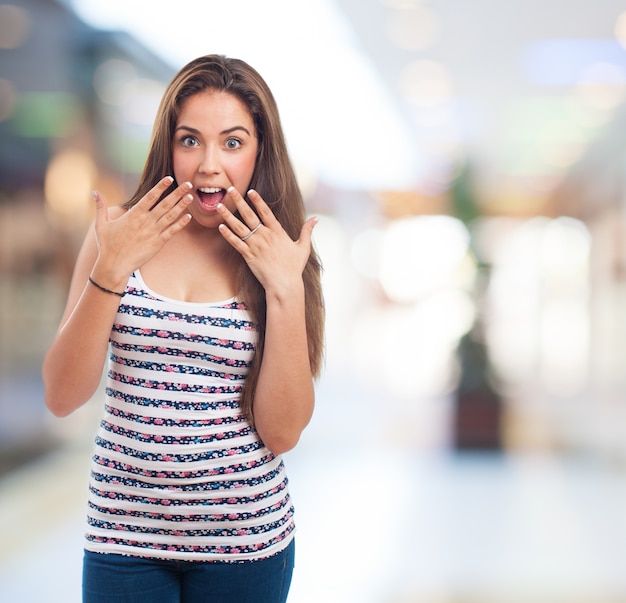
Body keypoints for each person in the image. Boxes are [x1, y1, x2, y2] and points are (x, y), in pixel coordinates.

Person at [42, 54, 325, 603]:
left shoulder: (280, 254)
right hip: (123, 538)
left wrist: (285, 291)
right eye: (190, 140)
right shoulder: (118, 236)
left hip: (246, 546)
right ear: (167, 146)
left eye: (233, 142)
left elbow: (282, 433)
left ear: (260, 151)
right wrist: (111, 269)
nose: (208, 165)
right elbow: (61, 395)